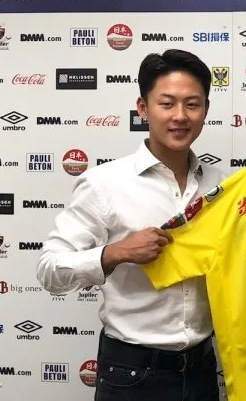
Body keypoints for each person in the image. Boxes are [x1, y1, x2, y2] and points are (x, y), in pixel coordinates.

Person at [36, 49, 222, 401]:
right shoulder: (104, 184)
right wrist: (115, 253)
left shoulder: (221, 186)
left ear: (206, 110)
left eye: (192, 104)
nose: (180, 116)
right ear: (143, 108)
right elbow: (49, 270)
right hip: (132, 374)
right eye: (167, 103)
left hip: (202, 370)